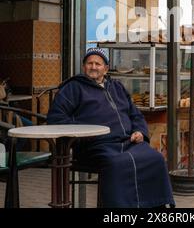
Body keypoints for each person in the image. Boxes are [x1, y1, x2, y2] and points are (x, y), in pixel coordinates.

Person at [47, 47, 175, 208]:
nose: (93, 67)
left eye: (98, 64)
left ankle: (157, 207)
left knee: (155, 159)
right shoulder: (73, 88)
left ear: (106, 69)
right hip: (96, 145)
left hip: (128, 141)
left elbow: (135, 114)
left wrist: (140, 132)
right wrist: (84, 134)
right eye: (89, 63)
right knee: (117, 164)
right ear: (83, 66)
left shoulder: (117, 87)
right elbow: (56, 118)